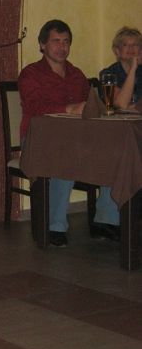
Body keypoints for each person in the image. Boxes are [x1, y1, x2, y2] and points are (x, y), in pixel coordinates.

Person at [18, 19, 120, 247]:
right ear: (42, 45)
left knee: (115, 152)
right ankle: (54, 226)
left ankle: (106, 220)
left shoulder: (76, 74)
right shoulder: (31, 74)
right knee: (65, 156)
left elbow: (90, 106)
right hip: (38, 140)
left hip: (77, 140)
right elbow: (34, 107)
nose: (62, 47)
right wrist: (69, 108)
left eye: (66, 42)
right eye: (56, 41)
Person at [100, 26, 142, 110]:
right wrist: (133, 68)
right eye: (125, 45)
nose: (131, 48)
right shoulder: (108, 74)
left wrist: (132, 107)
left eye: (135, 45)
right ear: (117, 51)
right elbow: (121, 104)